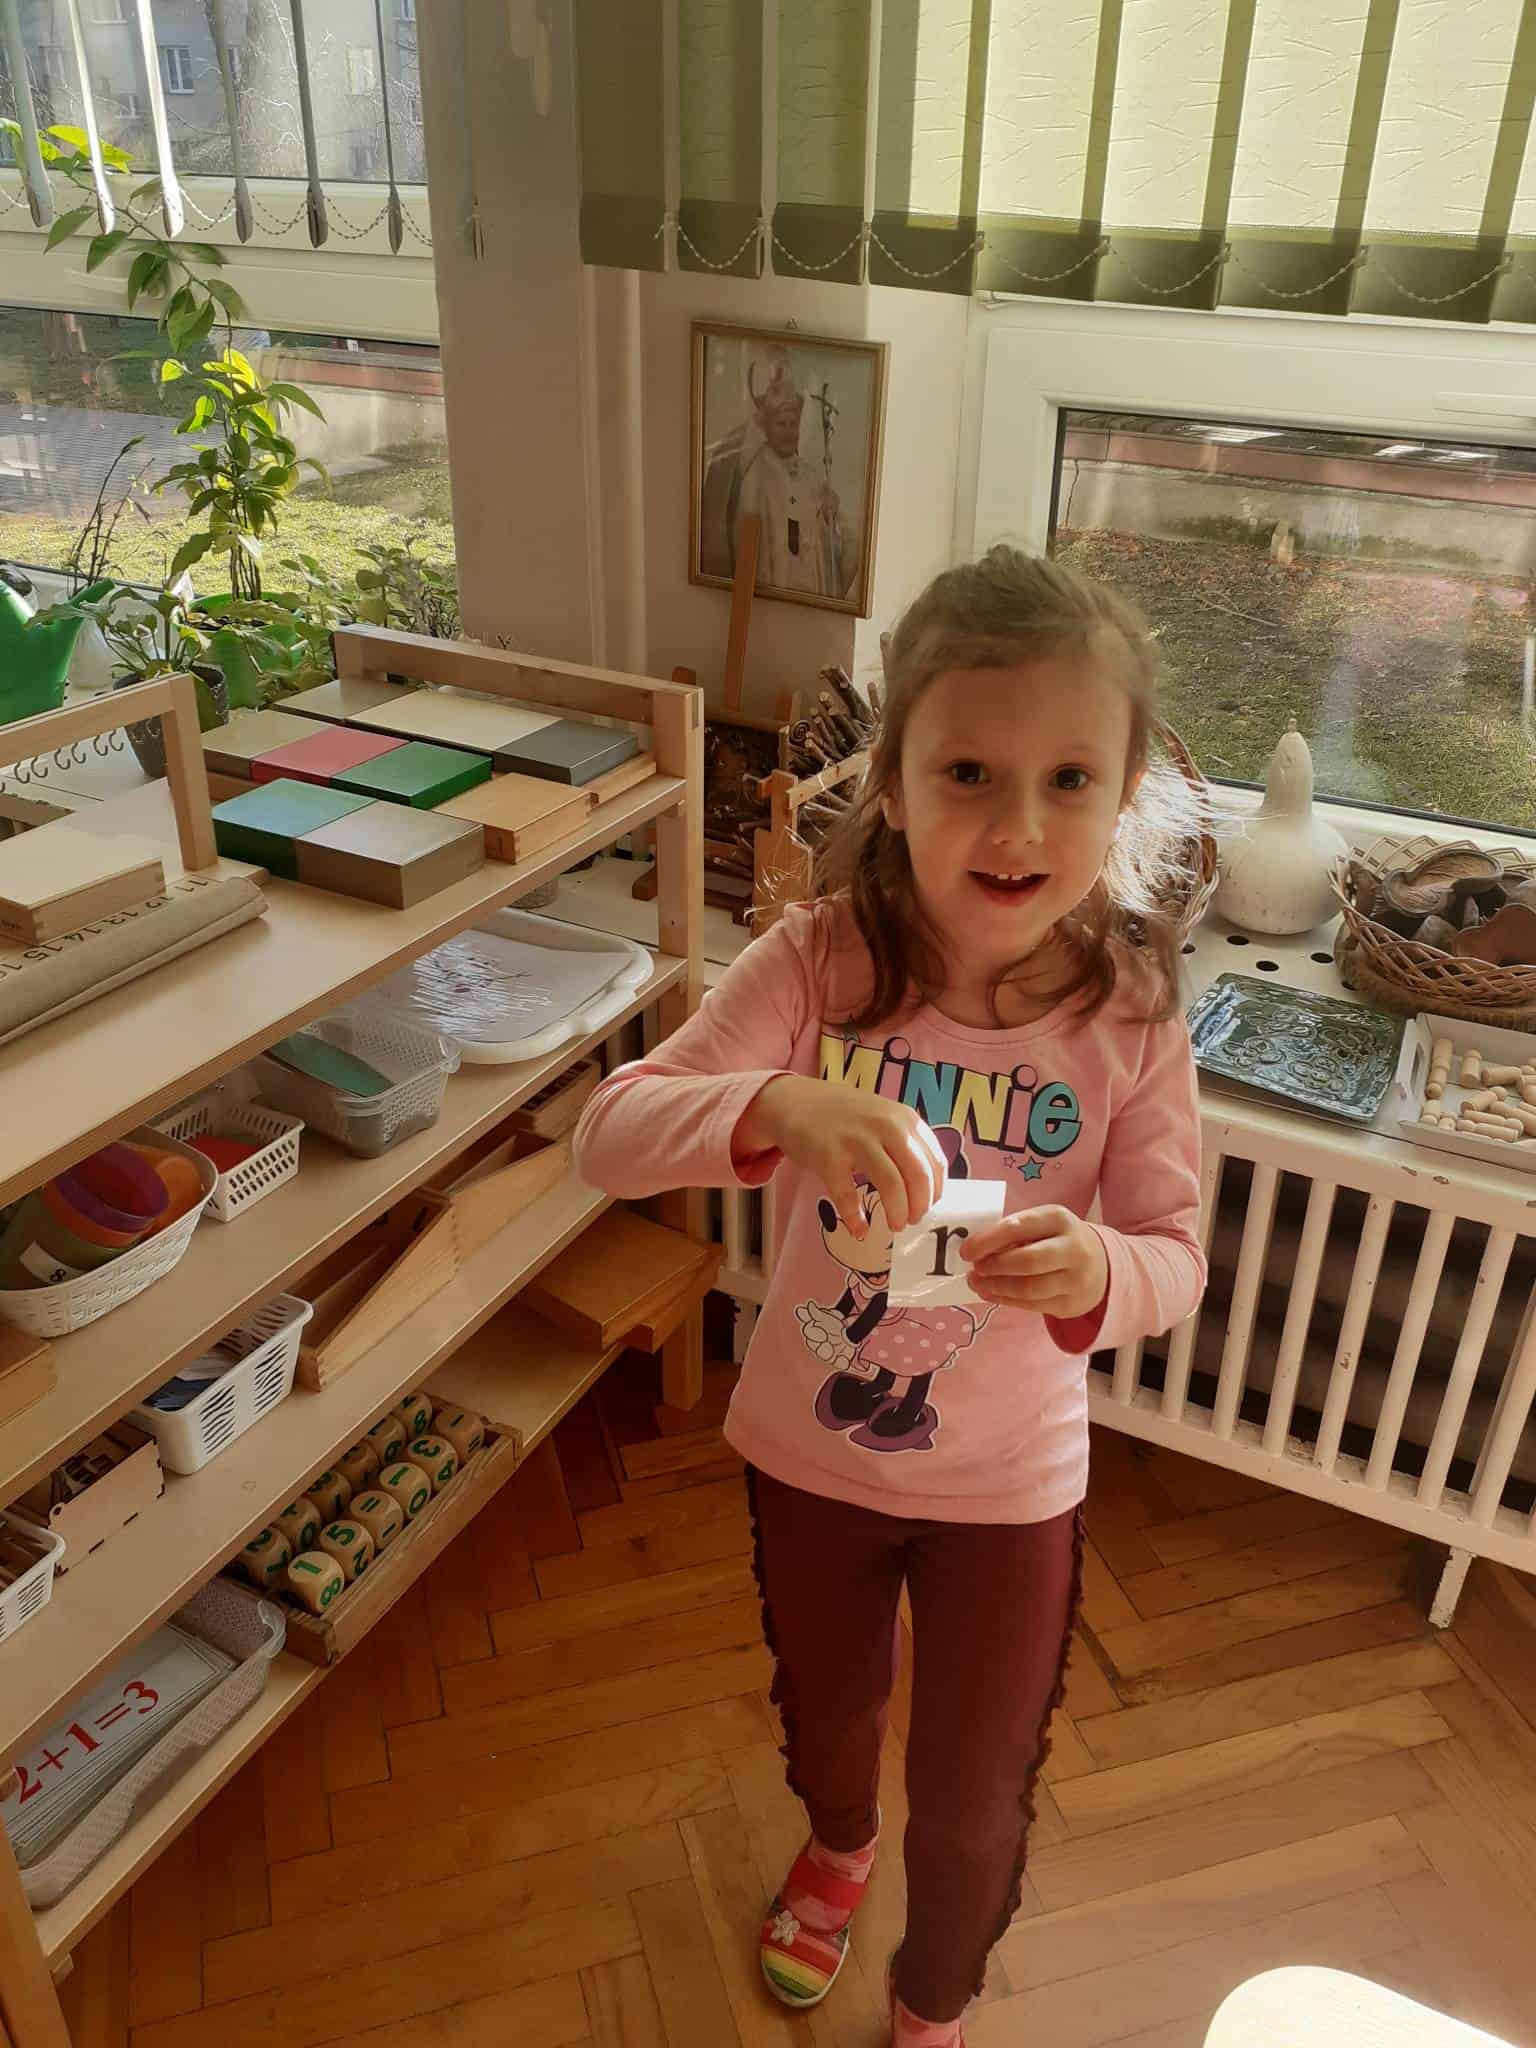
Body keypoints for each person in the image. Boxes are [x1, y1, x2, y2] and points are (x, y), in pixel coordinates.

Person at [572, 548, 1210, 2047]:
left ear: (1124, 799)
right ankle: (838, 1844)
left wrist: (1099, 1267)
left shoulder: (1131, 1018)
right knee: (829, 1714)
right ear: (899, 783)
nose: (1017, 824)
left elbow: (1173, 1256)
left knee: (981, 1794)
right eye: (970, 771)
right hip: (812, 1456)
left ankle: (934, 2001)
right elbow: (608, 1134)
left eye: (1068, 779)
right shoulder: (817, 963)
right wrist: (779, 1103)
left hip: (1012, 1486)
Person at [699, 343, 856, 600]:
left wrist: (831, 518)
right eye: (781, 424)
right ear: (767, 426)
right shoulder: (755, 468)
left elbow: (831, 545)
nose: (788, 431)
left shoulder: (809, 475)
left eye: (793, 424)